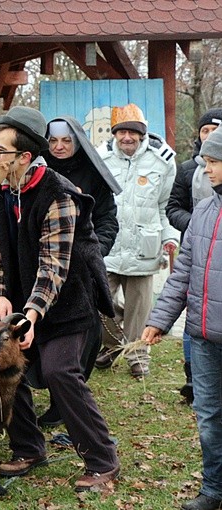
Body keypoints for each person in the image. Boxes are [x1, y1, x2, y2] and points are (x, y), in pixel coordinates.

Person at [0, 106, 120, 491]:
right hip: (24, 299)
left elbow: (54, 264)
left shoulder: (59, 193)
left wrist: (31, 311)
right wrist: (0, 295)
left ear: (24, 157)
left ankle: (103, 459)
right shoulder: (0, 188)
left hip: (69, 301)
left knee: (61, 372)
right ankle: (28, 448)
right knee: (7, 367)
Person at [141, 128, 222, 510]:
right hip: (203, 336)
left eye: (214, 162)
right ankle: (213, 490)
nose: (207, 170)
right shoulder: (204, 211)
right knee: (208, 416)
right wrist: (159, 319)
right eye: (205, 162)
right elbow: (183, 272)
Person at [34, 116, 121, 428]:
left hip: (82, 268)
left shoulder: (93, 173)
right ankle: (56, 397)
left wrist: (96, 251)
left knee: (80, 337)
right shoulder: (40, 170)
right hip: (47, 265)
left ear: (77, 142)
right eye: (53, 141)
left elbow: (108, 218)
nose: (58, 147)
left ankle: (67, 403)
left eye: (66, 141)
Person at [95, 104, 180, 378]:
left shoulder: (163, 160)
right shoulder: (100, 158)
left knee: (140, 311)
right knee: (99, 302)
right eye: (122, 132)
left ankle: (137, 355)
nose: (127, 138)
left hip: (145, 247)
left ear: (142, 134)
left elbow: (166, 205)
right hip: (110, 247)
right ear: (115, 135)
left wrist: (170, 238)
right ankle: (110, 346)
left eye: (133, 132)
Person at [166, 107, 222, 404]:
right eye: (205, 130)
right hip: (198, 248)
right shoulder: (188, 171)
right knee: (208, 408)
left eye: (214, 162)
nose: (207, 168)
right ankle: (192, 380)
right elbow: (173, 206)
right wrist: (200, 227)